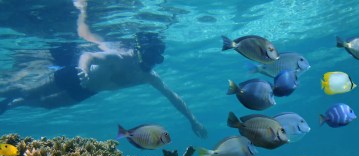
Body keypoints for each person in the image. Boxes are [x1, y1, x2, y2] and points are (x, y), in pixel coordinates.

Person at [0, 0, 207, 138]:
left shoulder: (148, 76)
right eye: (150, 58)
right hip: (74, 74)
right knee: (28, 90)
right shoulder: (120, 57)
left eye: (156, 61)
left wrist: (193, 120)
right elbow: (87, 55)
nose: (151, 64)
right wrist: (83, 70)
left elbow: (173, 96)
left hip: (87, 91)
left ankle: (12, 105)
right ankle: (8, 94)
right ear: (140, 51)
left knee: (47, 105)